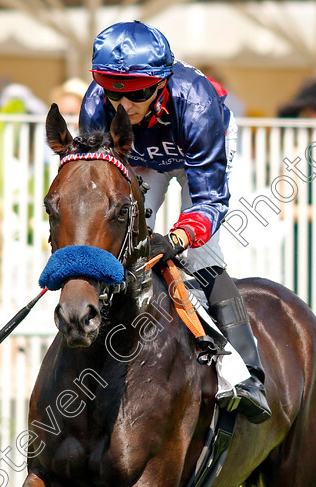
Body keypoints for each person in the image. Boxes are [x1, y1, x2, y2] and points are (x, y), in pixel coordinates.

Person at [79, 20, 270, 424]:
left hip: (193, 155)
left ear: (161, 84)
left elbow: (209, 199)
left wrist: (179, 238)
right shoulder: (96, 106)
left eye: (138, 95)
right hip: (141, 160)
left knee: (202, 256)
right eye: (114, 92)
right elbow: (100, 190)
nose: (124, 106)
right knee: (118, 239)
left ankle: (248, 375)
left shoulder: (197, 104)